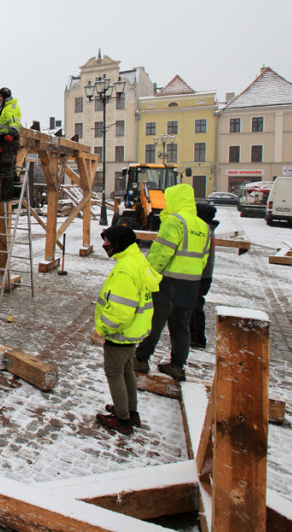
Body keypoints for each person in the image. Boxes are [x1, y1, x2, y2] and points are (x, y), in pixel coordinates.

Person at [133, 183, 210, 381]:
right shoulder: (202, 226)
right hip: (190, 285)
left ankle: (141, 359)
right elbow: (203, 259)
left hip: (168, 283)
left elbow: (161, 253)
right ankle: (177, 365)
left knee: (154, 323)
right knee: (180, 327)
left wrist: (148, 274)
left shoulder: (174, 222)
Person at [91, 223, 161, 435]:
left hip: (120, 333)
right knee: (127, 370)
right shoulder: (137, 260)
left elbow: (120, 312)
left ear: (119, 243)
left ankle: (122, 418)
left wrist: (101, 330)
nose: (105, 246)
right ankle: (130, 410)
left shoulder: (125, 270)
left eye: (108, 242)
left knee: (114, 373)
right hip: (134, 332)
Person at [189, 201, 219, 349]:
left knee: (194, 306)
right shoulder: (208, 229)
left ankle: (197, 337)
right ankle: (194, 335)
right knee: (194, 305)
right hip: (203, 275)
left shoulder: (204, 230)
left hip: (201, 276)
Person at [0, 87, 22, 201]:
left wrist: (12, 133)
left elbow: (14, 122)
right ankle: (15, 193)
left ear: (3, 96)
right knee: (11, 168)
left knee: (6, 168)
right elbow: (7, 119)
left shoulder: (10, 108)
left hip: (9, 140)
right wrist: (0, 113)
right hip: (8, 140)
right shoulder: (7, 107)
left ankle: (7, 195)